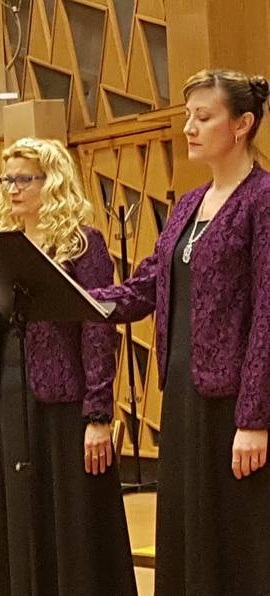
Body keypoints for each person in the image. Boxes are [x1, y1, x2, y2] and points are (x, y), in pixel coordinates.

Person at [90, 69, 270, 595]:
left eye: (203, 117)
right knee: (188, 533)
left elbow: (267, 314)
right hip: (185, 397)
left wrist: (255, 419)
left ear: (242, 124)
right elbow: (149, 283)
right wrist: (82, 299)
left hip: (234, 403)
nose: (188, 127)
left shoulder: (263, 200)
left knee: (237, 539)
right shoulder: (189, 203)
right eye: (188, 116)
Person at [0, 138, 137, 595]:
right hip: (10, 395)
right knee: (18, 513)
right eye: (8, 179)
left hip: (65, 400)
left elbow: (97, 328)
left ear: (53, 182)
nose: (12, 189)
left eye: (25, 179)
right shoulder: (1, 246)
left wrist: (98, 413)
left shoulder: (83, 244)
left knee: (70, 516)